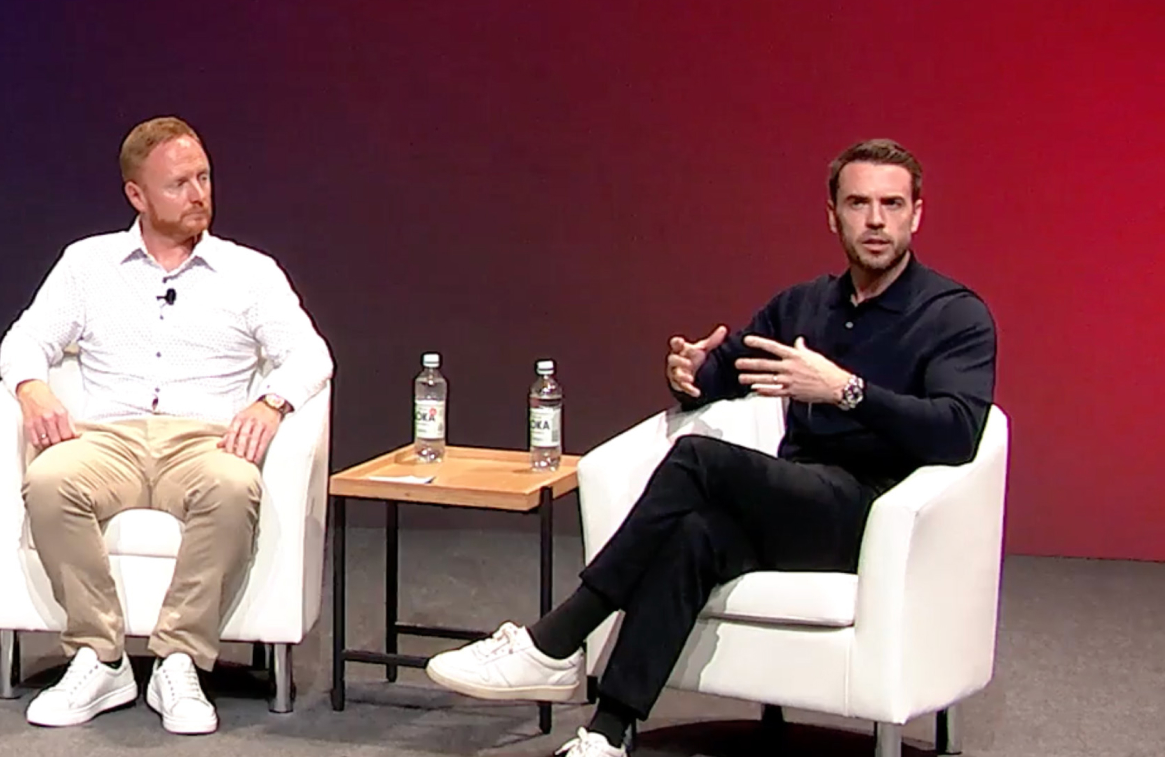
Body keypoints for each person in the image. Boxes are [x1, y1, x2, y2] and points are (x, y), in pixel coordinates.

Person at [426, 138, 999, 757]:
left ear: (918, 213)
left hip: (880, 515)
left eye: (892, 204)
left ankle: (557, 641)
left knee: (699, 459)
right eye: (859, 204)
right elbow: (722, 373)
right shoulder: (805, 305)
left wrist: (846, 391)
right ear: (833, 216)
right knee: (694, 533)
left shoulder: (953, 316)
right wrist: (690, 371)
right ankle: (607, 733)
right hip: (798, 501)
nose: (876, 220)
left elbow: (958, 429)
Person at [0, 116, 334, 735]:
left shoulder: (249, 272)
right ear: (137, 196)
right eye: (179, 183)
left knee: (234, 489)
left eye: (203, 177)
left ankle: (179, 658)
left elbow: (311, 355)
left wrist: (271, 403)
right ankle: (99, 657)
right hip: (109, 440)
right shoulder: (87, 263)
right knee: (49, 482)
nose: (199, 193)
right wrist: (31, 386)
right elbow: (24, 339)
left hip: (203, 441)